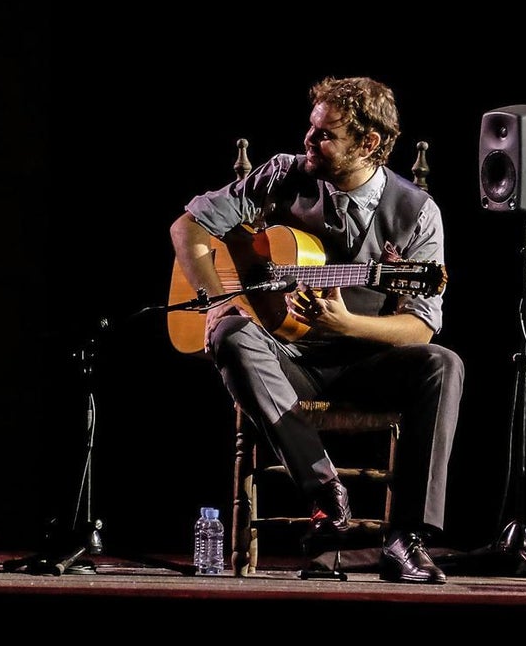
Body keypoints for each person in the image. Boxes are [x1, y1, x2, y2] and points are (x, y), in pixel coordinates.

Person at [169, 76, 463, 584]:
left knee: (444, 365)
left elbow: (420, 330)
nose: (309, 141)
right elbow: (188, 227)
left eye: (325, 135)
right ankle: (323, 487)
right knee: (228, 334)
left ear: (369, 144)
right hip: (282, 357)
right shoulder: (283, 175)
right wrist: (219, 299)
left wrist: (347, 322)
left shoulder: (419, 214)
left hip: (363, 364)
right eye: (311, 128)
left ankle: (405, 539)